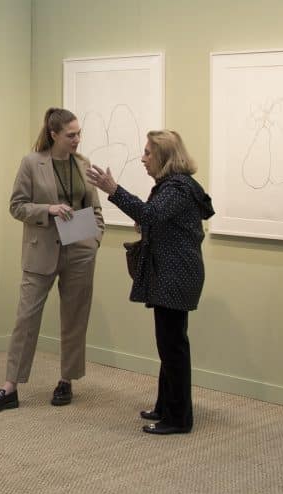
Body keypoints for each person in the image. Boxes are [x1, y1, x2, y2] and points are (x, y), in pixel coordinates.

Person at [86, 130, 214, 435]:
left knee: (173, 347)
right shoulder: (173, 186)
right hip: (173, 272)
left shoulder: (178, 187)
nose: (143, 158)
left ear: (164, 157)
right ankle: (165, 406)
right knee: (169, 344)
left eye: (147, 153)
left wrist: (113, 189)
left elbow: (151, 213)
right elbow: (157, 220)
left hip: (176, 274)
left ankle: (178, 418)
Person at [0, 108, 105, 414]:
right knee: (26, 319)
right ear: (54, 135)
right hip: (41, 249)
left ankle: (67, 380)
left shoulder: (83, 163)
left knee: (75, 318)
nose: (77, 140)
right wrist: (47, 210)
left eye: (79, 134)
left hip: (79, 250)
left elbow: (95, 209)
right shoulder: (32, 163)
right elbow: (17, 206)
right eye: (71, 135)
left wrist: (95, 240)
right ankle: (10, 387)